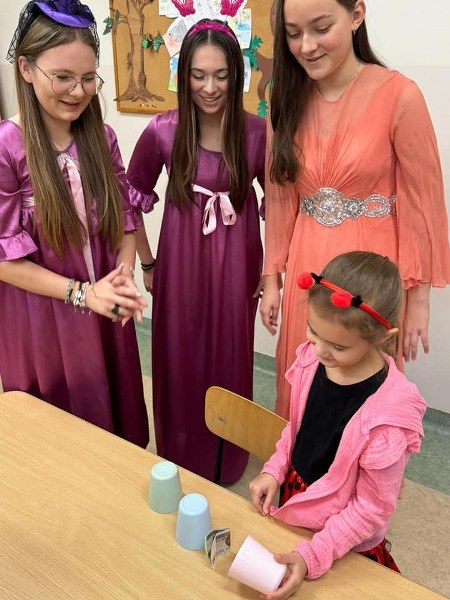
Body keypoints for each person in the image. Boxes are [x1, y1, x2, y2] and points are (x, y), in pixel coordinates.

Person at [260, 0, 450, 418]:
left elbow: (422, 202)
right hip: (308, 268)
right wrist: (271, 277)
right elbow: (280, 196)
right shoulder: (286, 99)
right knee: (304, 381)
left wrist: (418, 299)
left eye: (321, 28)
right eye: (293, 34)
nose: (306, 46)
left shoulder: (400, 96)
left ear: (356, 15)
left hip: (371, 271)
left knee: (362, 395)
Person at [0, 0, 149, 448]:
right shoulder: (8, 148)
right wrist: (83, 293)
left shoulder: (101, 137)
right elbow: (5, 260)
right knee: (63, 439)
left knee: (116, 425)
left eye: (88, 78)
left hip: (104, 305)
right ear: (26, 68)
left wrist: (121, 275)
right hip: (41, 318)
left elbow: (125, 221)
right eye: (63, 77)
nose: (78, 91)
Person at [127, 19, 265, 482]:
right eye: (199, 75)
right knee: (180, 352)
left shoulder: (256, 133)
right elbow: (131, 200)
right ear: (183, 74)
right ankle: (181, 450)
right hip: (181, 262)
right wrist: (148, 263)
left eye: (221, 75)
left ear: (236, 76)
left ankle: (227, 456)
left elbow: (282, 205)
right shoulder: (163, 131)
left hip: (239, 264)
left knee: (230, 356)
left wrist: (272, 274)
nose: (209, 87)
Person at [250, 251, 425, 600]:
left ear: (382, 336)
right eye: (313, 333)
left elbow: (371, 509)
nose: (320, 351)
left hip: (343, 535)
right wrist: (274, 469)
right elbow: (295, 430)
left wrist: (313, 554)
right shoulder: (311, 360)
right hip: (298, 497)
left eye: (338, 346)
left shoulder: (388, 420)